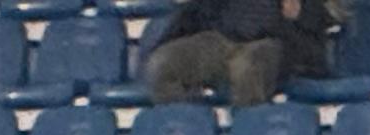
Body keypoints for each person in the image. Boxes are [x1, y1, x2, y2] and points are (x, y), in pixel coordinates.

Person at [139, 0, 331, 106]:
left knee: (246, 67)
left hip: (272, 40)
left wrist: (300, 11)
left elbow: (329, 15)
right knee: (162, 65)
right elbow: (196, 9)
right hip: (221, 37)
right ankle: (195, 130)